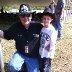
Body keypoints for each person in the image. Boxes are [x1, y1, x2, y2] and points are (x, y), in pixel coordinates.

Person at [0, 4, 43, 72]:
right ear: (19, 17)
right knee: (12, 66)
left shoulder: (38, 26)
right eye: (22, 15)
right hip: (21, 54)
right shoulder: (15, 27)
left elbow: (48, 32)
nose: (25, 18)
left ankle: (26, 66)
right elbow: (6, 34)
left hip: (33, 56)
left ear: (31, 16)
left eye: (28, 15)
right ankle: (22, 68)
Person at [37, 8, 57, 72]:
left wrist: (51, 54)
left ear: (51, 20)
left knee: (46, 68)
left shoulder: (52, 30)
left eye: (48, 19)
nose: (46, 20)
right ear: (42, 19)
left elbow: (53, 43)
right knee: (40, 66)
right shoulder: (42, 28)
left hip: (47, 54)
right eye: (44, 18)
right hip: (41, 52)